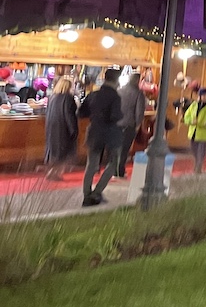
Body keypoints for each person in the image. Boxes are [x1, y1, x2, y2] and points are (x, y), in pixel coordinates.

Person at [78, 68, 124, 206]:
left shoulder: (93, 94)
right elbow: (115, 116)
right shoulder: (115, 97)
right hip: (111, 133)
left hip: (94, 131)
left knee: (91, 164)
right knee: (113, 163)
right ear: (116, 80)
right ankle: (97, 192)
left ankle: (87, 194)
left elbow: (81, 113)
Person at [43, 76, 78, 181]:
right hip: (63, 129)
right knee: (64, 153)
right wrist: (73, 130)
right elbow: (69, 115)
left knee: (55, 152)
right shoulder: (68, 98)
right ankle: (54, 173)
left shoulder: (52, 97)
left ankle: (53, 172)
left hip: (52, 128)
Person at [116, 72, 147, 179]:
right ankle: (120, 171)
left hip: (117, 123)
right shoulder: (139, 94)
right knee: (124, 149)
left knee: (116, 148)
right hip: (129, 124)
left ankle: (113, 170)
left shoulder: (119, 90)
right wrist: (138, 125)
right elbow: (139, 112)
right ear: (138, 81)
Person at [183, 87, 206, 174]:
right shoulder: (194, 105)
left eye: (205, 95)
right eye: (201, 95)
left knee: (201, 151)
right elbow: (186, 116)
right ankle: (197, 162)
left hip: (204, 133)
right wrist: (190, 121)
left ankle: (199, 166)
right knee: (194, 149)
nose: (203, 97)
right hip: (194, 132)